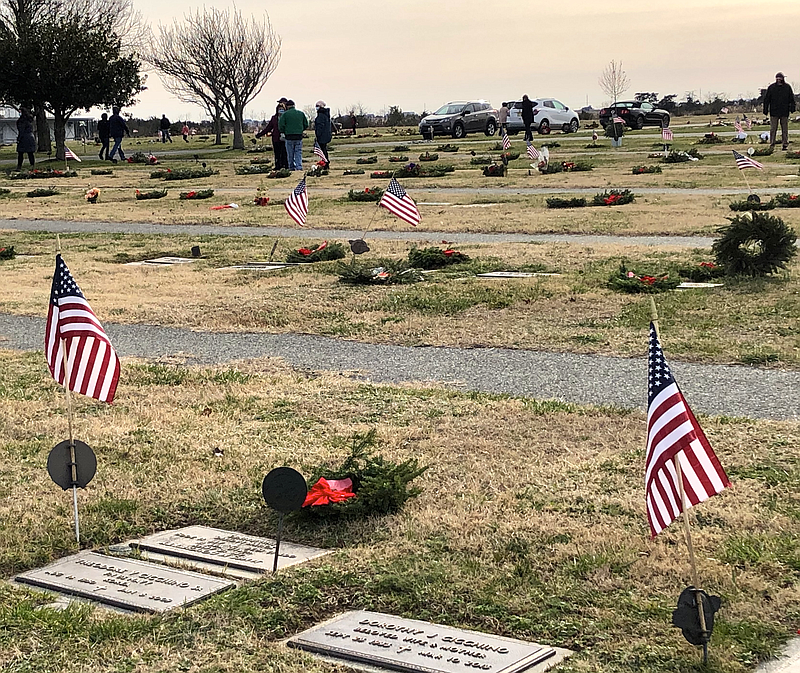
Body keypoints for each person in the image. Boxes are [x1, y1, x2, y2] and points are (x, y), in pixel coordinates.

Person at [763, 72, 795, 150]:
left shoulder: (787, 87)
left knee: (785, 129)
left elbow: (791, 99)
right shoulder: (771, 87)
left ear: (783, 78)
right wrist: (765, 109)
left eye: (780, 78)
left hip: (784, 112)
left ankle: (785, 144)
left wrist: (792, 108)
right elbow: (767, 99)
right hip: (774, 112)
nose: (778, 79)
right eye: (777, 78)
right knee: (773, 129)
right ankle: (772, 144)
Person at [257, 100, 288, 169]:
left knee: (284, 153)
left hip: (285, 138)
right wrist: (260, 134)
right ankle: (277, 165)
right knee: (277, 153)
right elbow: (268, 128)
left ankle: (285, 165)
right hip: (276, 138)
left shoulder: (286, 117)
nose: (281, 111)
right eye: (279, 109)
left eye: (282, 109)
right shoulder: (274, 118)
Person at [278, 99, 308, 171]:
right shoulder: (301, 113)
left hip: (289, 136)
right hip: (298, 136)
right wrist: (301, 129)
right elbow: (306, 124)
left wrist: (283, 131)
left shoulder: (285, 114)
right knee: (298, 152)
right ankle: (299, 167)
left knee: (290, 153)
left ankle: (291, 167)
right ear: (294, 105)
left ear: (287, 106)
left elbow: (281, 125)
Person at [314, 100, 332, 166]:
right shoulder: (326, 115)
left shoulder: (321, 116)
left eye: (317, 106)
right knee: (324, 149)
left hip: (322, 136)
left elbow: (320, 127)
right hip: (326, 135)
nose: (316, 107)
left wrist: (317, 135)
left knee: (322, 150)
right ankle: (325, 162)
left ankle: (325, 162)